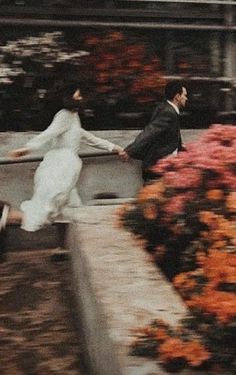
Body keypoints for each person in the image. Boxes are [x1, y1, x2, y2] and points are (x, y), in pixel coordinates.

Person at [8, 81, 124, 232]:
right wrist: (28, 148)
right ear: (68, 96)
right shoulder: (64, 116)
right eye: (78, 94)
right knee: (50, 204)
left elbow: (88, 138)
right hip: (60, 164)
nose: (81, 97)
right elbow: (49, 133)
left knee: (63, 205)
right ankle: (9, 217)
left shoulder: (73, 117)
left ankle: (60, 240)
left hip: (67, 164)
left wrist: (116, 148)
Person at [120, 81, 187, 183]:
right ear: (177, 97)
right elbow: (150, 131)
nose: (186, 98)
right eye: (184, 95)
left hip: (162, 167)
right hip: (157, 169)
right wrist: (129, 151)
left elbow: (167, 136)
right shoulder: (168, 112)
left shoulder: (165, 108)